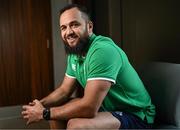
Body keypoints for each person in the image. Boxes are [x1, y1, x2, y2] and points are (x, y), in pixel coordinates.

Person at [22, 4, 155, 129]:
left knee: (76, 125)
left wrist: (44, 113)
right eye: (63, 27)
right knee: (56, 111)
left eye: (74, 25)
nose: (68, 32)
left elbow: (89, 107)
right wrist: (39, 105)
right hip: (107, 108)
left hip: (136, 115)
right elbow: (64, 91)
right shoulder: (76, 52)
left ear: (89, 27)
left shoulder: (102, 51)